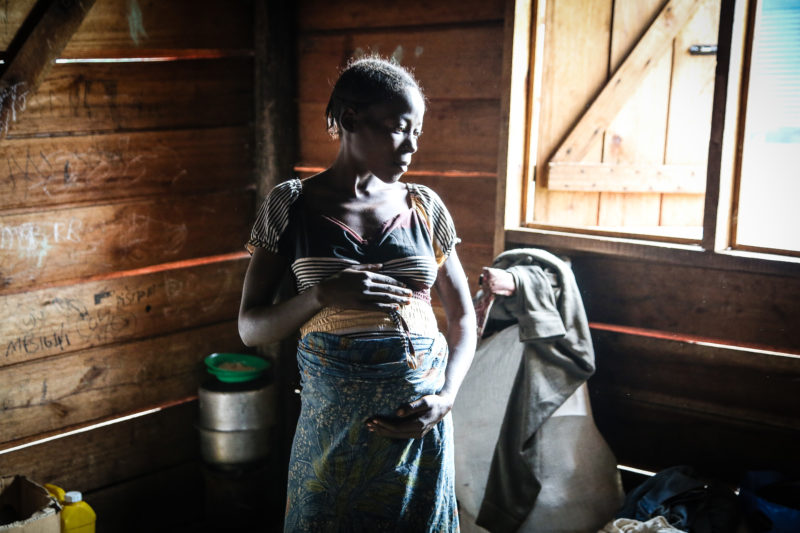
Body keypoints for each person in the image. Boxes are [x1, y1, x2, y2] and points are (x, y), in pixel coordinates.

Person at [238, 56, 476, 532]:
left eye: (417, 132)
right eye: (397, 128)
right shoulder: (292, 205)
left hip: (419, 434)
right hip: (334, 438)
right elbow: (250, 328)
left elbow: (464, 318)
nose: (410, 146)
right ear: (349, 120)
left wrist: (447, 397)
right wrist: (321, 295)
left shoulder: (424, 207)